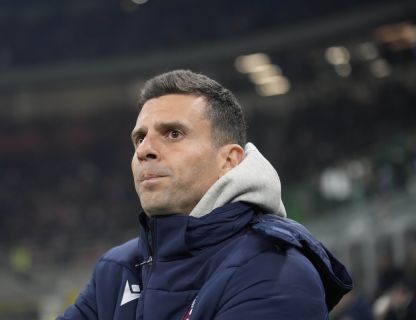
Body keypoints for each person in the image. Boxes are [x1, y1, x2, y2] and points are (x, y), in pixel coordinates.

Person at [58, 70, 353, 319]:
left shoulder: (277, 271)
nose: (144, 150)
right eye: (140, 137)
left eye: (173, 133)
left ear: (229, 161)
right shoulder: (116, 269)